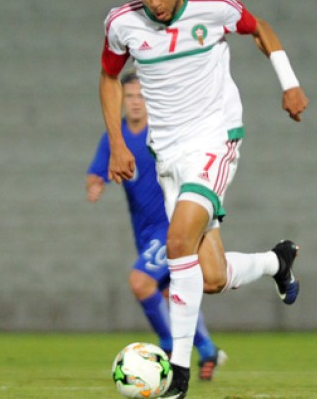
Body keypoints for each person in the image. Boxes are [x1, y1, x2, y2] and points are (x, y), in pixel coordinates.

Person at [99, 0, 309, 396]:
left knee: (178, 243)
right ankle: (277, 261)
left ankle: (178, 373)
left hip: (215, 138)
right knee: (209, 277)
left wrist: (289, 83)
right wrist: (117, 142)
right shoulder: (122, 23)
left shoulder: (214, 5)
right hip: (167, 153)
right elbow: (108, 77)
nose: (154, 2)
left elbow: (261, 30)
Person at [87, 71, 227, 380]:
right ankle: (208, 350)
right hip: (144, 232)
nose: (136, 103)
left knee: (141, 282)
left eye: (141, 96)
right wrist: (95, 183)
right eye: (130, 96)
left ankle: (167, 347)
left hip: (171, 226)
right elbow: (96, 172)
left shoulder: (162, 133)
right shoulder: (115, 138)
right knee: (167, 295)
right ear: (121, 100)